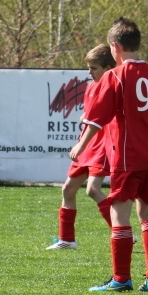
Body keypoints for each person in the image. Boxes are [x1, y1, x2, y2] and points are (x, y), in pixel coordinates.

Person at [70, 18, 148, 293]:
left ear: (114, 47)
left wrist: (80, 147)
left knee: (120, 215)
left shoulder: (113, 76)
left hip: (127, 157)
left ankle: (121, 279)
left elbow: (96, 119)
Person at [47, 44, 116, 250]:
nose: (89, 72)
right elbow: (92, 114)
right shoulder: (91, 86)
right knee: (68, 189)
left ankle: (121, 232)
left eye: (94, 67)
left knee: (93, 190)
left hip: (102, 144)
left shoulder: (114, 86)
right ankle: (67, 240)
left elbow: (106, 117)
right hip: (87, 144)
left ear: (108, 68)